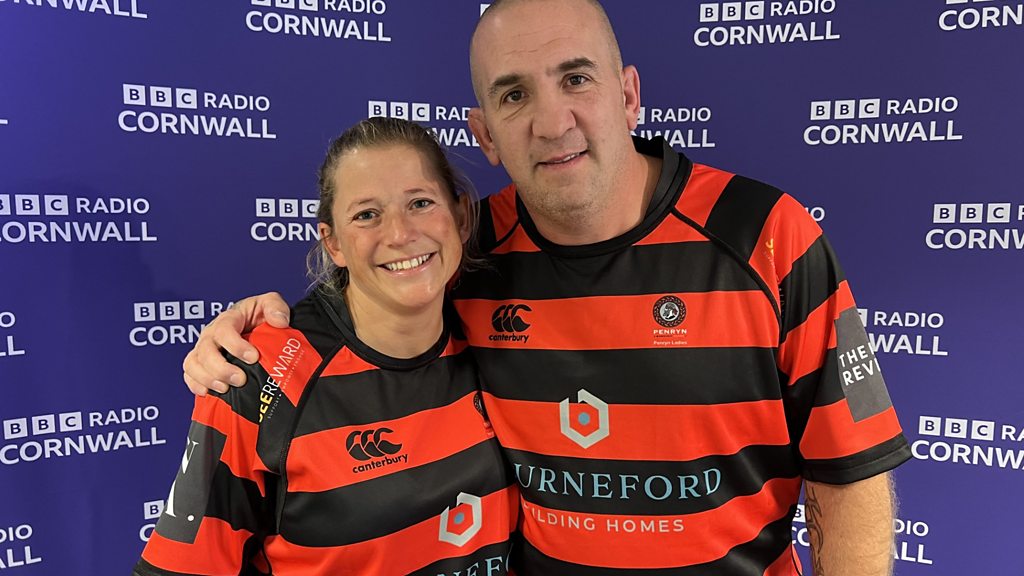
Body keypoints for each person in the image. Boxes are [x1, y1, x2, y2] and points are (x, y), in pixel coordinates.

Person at [182, 1, 912, 574]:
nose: (552, 121)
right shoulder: (466, 251)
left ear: (628, 95)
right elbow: (370, 299)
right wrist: (247, 338)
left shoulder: (769, 237)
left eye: (576, 79)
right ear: (486, 135)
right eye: (514, 94)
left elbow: (850, 472)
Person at [135, 117, 518, 576]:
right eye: (367, 214)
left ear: (460, 218)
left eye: (420, 202)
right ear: (333, 243)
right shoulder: (262, 370)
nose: (400, 234)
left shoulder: (495, 326)